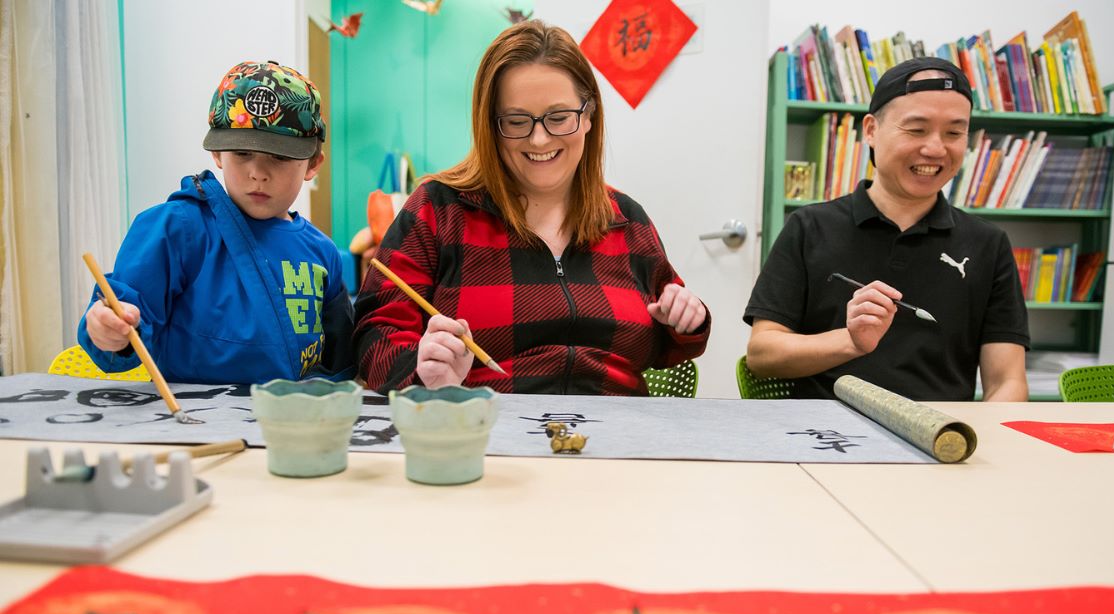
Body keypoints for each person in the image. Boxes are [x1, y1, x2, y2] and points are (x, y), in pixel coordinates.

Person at [354, 20, 709, 395]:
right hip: (485, 433)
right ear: (490, 124)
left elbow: (663, 343)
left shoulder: (627, 220)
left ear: (588, 116)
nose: (539, 139)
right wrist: (422, 368)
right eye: (517, 121)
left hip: (617, 439)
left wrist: (686, 320)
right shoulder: (438, 210)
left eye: (559, 118)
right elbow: (372, 337)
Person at [744, 57, 1028, 401]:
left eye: (954, 133)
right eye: (917, 129)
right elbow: (761, 355)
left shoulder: (988, 244)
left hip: (939, 437)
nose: (936, 149)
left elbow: (1006, 381)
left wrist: (974, 442)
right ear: (871, 131)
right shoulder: (810, 227)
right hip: (825, 434)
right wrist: (850, 341)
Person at [79, 60, 354, 384]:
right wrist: (107, 329)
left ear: (312, 164)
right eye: (241, 153)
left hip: (289, 424)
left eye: (279, 157)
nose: (257, 172)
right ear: (217, 154)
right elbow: (125, 313)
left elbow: (341, 365)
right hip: (194, 427)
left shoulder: (322, 252)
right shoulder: (175, 229)